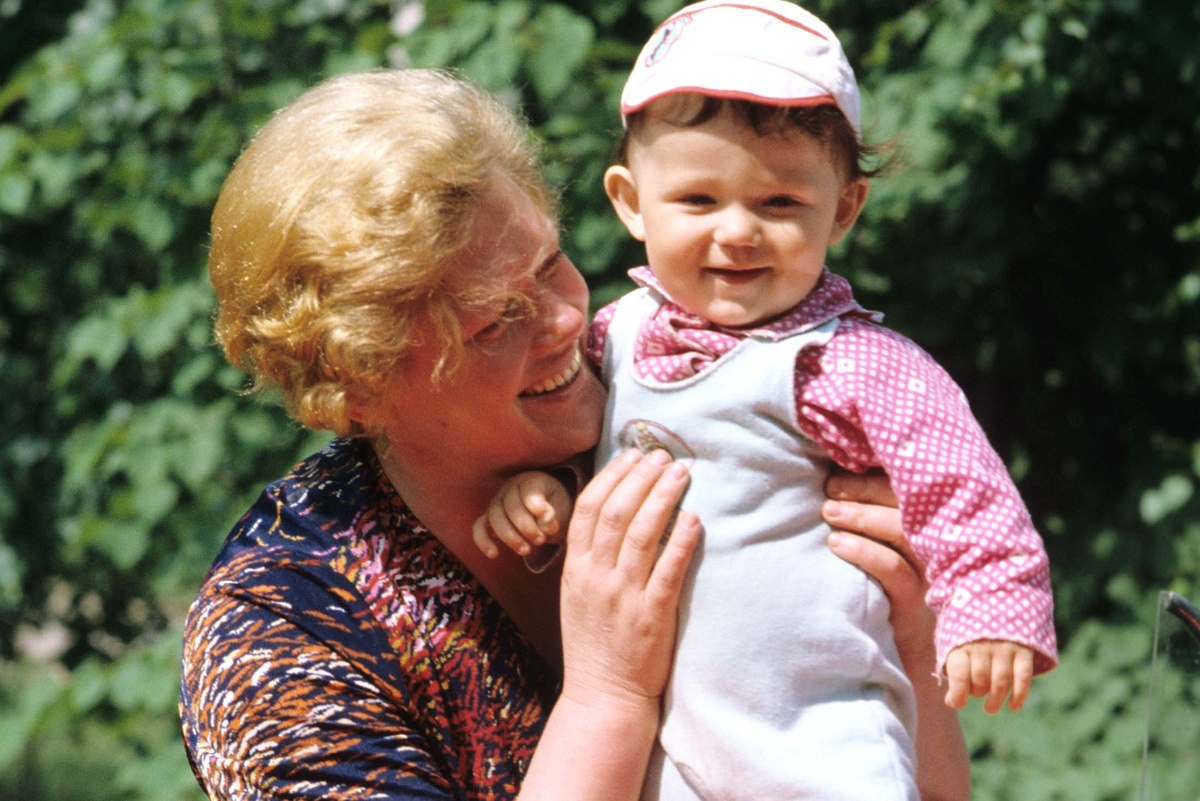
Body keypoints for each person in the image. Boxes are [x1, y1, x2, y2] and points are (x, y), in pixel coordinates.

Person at [179, 67, 970, 800]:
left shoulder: (694, 413)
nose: (565, 320)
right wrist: (607, 697)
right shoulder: (281, 631)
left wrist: (910, 637)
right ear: (364, 389)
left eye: (551, 262)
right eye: (495, 321)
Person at [472, 1, 1056, 799]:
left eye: (779, 203)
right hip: (674, 741)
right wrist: (547, 492)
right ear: (631, 201)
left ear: (843, 208)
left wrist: (990, 608)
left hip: (823, 733)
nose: (738, 231)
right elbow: (594, 451)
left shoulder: (849, 363)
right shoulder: (618, 336)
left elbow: (961, 488)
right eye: (699, 201)